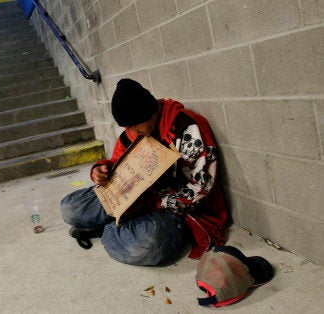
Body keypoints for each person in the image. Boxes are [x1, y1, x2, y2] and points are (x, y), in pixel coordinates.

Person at [60, 78, 228, 266]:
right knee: (70, 208)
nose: (130, 131)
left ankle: (107, 229)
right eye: (126, 127)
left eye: (134, 125)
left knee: (143, 246)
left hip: (172, 211)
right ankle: (121, 225)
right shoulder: (134, 131)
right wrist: (101, 170)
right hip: (133, 198)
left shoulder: (188, 128)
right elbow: (117, 161)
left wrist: (149, 203)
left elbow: (202, 188)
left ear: (150, 112)